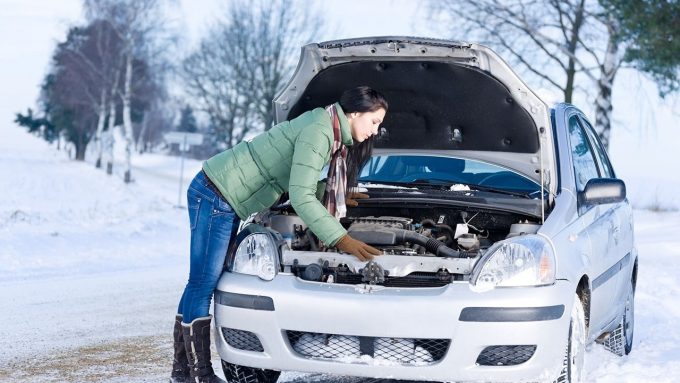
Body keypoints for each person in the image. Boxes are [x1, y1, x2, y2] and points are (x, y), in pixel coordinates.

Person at [170, 86, 389, 383]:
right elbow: (300, 196)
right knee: (203, 283)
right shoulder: (320, 132)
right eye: (374, 122)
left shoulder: (324, 125)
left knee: (198, 282)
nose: (376, 131)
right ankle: (199, 375)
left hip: (222, 193)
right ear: (354, 113)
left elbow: (299, 176)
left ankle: (181, 373)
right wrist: (341, 238)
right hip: (216, 193)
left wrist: (333, 195)